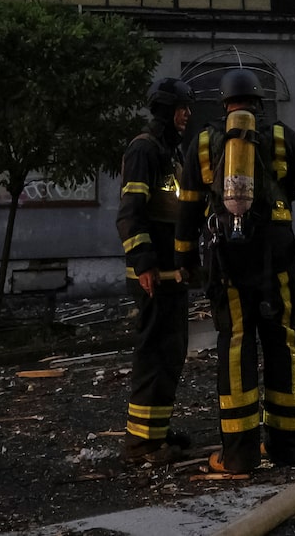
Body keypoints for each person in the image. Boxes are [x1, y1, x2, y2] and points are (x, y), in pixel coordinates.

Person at [177, 68, 295, 474]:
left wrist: (186, 261)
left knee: (236, 343)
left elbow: (187, 207)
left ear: (224, 103)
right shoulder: (278, 135)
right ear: (259, 102)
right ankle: (287, 448)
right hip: (277, 256)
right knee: (284, 341)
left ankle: (239, 454)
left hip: (227, 258)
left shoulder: (203, 142)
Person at [115, 77, 196, 464]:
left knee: (171, 353)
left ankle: (156, 432)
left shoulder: (169, 151)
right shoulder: (144, 150)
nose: (187, 114)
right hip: (153, 276)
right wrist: (143, 262)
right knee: (153, 355)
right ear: (167, 110)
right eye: (182, 108)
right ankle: (141, 443)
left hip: (171, 275)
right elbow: (130, 214)